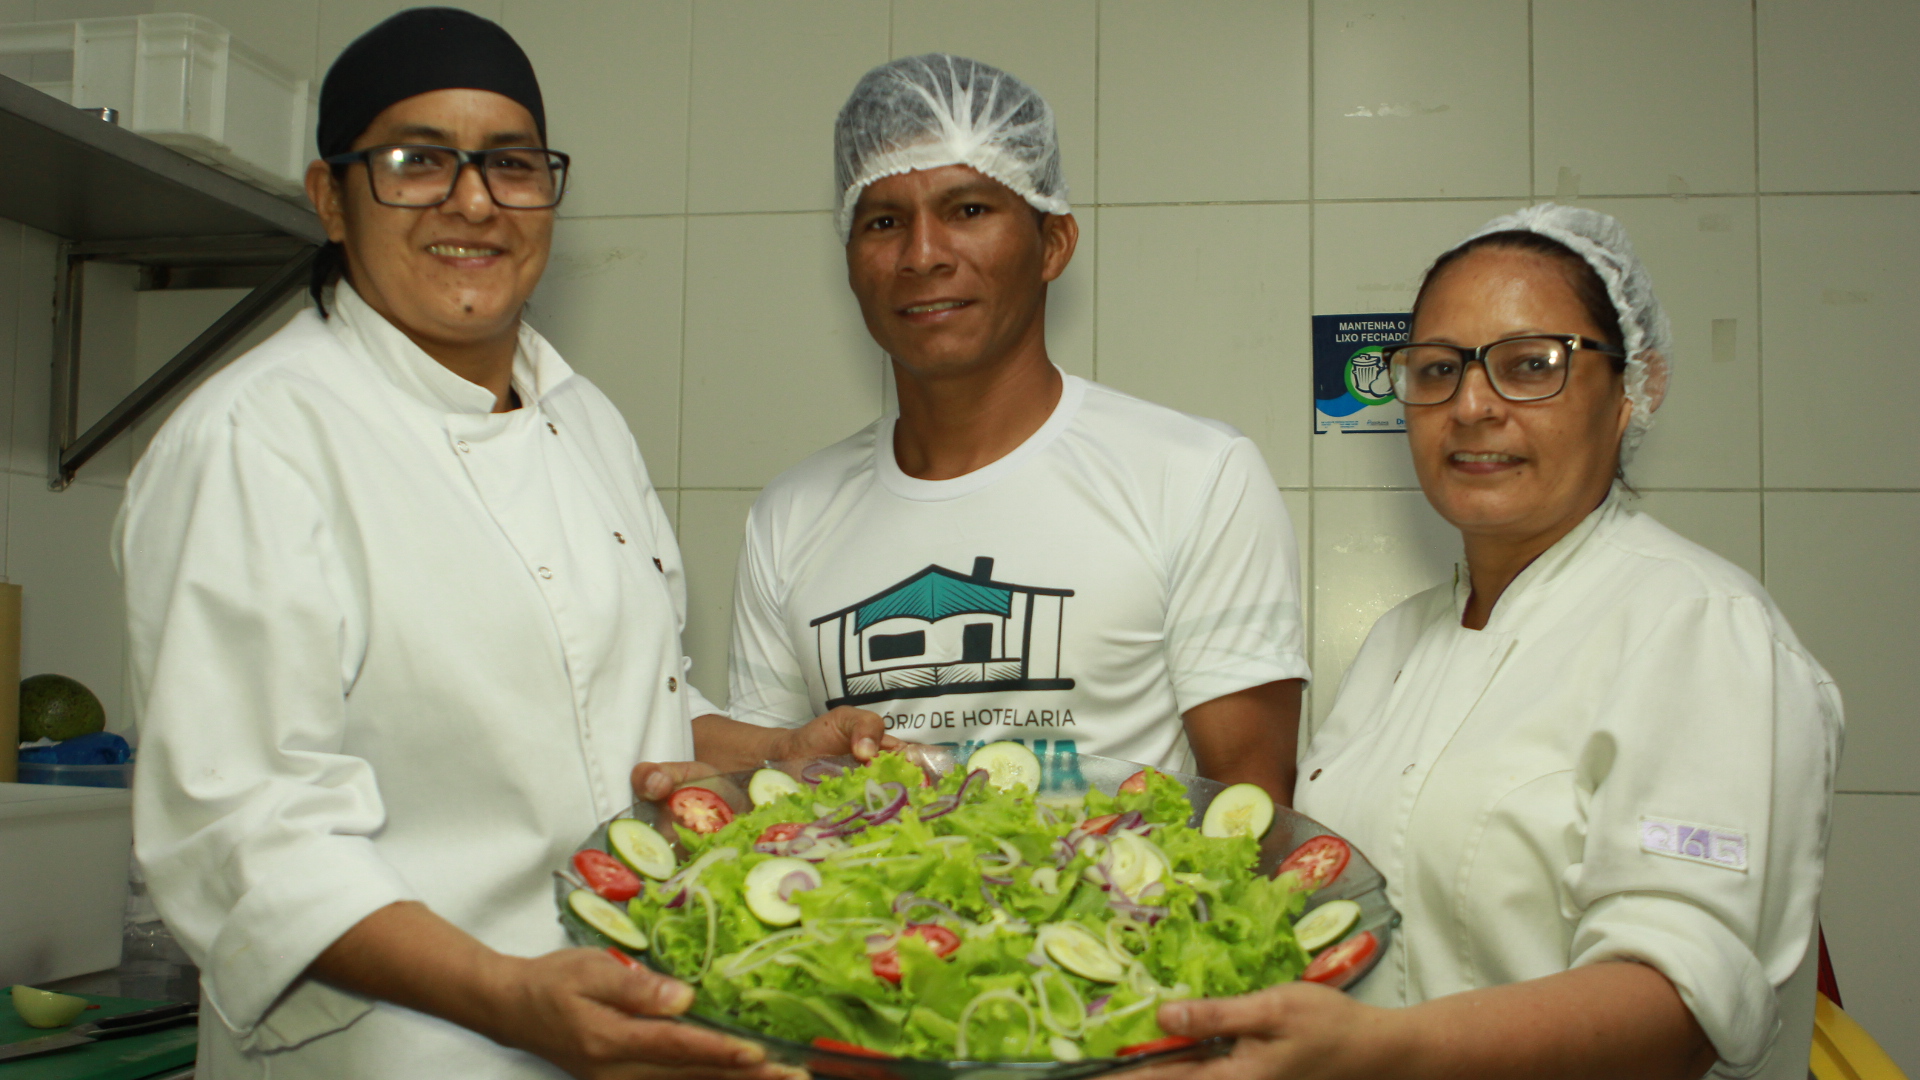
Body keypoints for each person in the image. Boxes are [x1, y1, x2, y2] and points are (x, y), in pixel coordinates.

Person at [118, 10, 882, 1079]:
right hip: (400, 1051)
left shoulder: (582, 418)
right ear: (330, 196)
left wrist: (773, 755)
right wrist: (507, 996)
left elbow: (621, 710)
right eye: (417, 160)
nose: (473, 199)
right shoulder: (258, 441)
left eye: (511, 165)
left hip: (624, 1027)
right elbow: (245, 835)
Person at [1133, 205, 1842, 1080]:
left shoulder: (1698, 627)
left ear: (1630, 392)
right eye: (1437, 370)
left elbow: (1680, 1005)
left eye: (1530, 366)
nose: (1471, 406)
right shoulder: (1402, 640)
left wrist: (1378, 1053)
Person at [710, 55, 1309, 799]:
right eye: (885, 222)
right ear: (852, 260)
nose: (923, 256)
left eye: (967, 210)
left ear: (1053, 244)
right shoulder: (790, 514)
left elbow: (1249, 809)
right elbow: (766, 787)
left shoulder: (1195, 476)